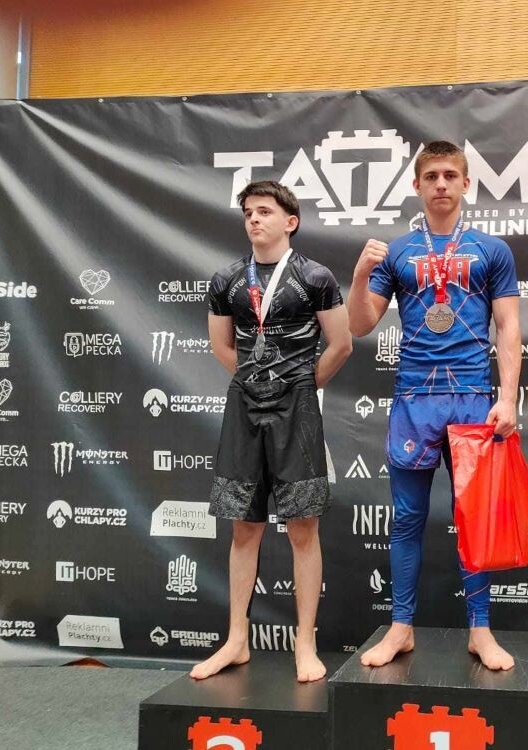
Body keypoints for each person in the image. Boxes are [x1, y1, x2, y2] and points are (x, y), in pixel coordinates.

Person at [346, 140, 521, 671]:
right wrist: (360, 275)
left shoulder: (492, 249)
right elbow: (360, 325)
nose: (441, 184)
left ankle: (480, 630)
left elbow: (509, 326)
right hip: (414, 398)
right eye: (431, 176)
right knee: (407, 518)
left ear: (466, 183)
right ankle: (400, 628)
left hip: (473, 397)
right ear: (417, 185)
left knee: (475, 519)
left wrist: (508, 396)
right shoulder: (398, 251)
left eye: (450, 175)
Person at [191, 180, 352, 682]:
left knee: (303, 527)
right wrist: (255, 383)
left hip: (297, 409)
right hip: (244, 407)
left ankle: (305, 643)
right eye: (248, 213)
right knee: (244, 526)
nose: (254, 219)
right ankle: (236, 640)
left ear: (290, 221)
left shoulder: (315, 276)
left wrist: (300, 386)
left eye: (264, 211)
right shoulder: (226, 279)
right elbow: (221, 346)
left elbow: (341, 343)